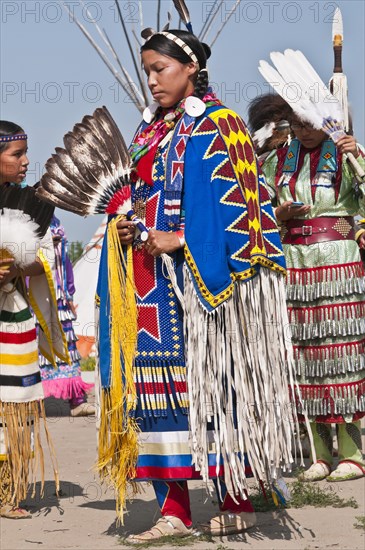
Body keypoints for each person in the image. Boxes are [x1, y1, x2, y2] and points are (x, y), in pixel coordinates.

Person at [96, 30, 299, 543]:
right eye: (146, 71)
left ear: (190, 68)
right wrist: (129, 226)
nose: (150, 80)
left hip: (206, 289)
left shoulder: (221, 126)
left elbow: (243, 213)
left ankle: (236, 500)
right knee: (157, 393)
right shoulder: (149, 132)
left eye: (159, 69)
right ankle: (175, 512)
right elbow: (142, 195)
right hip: (150, 288)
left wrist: (179, 238)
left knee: (215, 388)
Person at [254, 98, 365, 482]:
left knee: (341, 353)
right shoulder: (277, 160)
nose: (302, 128)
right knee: (303, 355)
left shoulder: (347, 154)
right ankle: (319, 455)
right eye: (295, 122)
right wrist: (277, 214)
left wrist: (358, 156)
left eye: (309, 121)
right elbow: (253, 206)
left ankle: (351, 454)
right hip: (295, 261)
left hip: (338, 260)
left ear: (326, 119)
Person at [0, 121, 67, 518]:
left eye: (26, 153)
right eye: (16, 154)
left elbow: (44, 261)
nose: (26, 162)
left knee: (16, 406)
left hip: (14, 317)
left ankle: (9, 489)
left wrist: (19, 266)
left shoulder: (34, 203)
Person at [38, 215, 95, 417]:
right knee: (34, 350)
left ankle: (76, 401)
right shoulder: (27, 217)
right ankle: (31, 401)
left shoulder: (56, 223)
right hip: (34, 296)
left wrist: (69, 291)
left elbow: (66, 261)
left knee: (67, 348)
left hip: (59, 295)